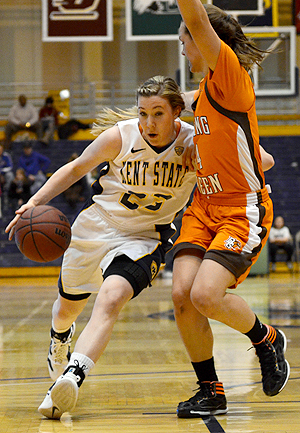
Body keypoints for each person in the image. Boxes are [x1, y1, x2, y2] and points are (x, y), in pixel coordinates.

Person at [5, 76, 197, 419]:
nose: (149, 123)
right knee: (66, 311)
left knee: (111, 298)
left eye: (157, 114)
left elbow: (262, 159)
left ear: (177, 112)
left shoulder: (195, 141)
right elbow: (76, 168)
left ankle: (73, 376)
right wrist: (32, 203)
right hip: (97, 228)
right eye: (142, 113)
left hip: (146, 237)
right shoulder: (121, 136)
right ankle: (59, 339)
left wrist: (217, 139)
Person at [171, 0, 290, 418]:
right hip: (201, 208)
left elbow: (198, 19)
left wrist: (190, 11)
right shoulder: (203, 93)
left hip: (240, 210)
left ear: (204, 42)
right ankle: (211, 390)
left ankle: (267, 339)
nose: (184, 49)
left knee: (206, 294)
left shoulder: (231, 79)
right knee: (182, 296)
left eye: (185, 41)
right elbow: (174, 105)